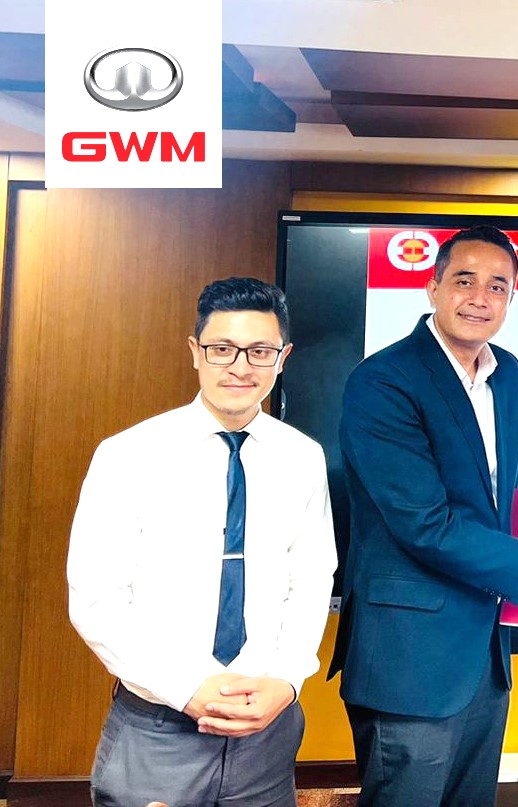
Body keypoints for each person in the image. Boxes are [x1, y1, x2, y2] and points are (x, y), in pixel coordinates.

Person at [329, 225, 518, 807]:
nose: (480, 298)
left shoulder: (506, 373)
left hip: (485, 651)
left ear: (511, 299)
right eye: (464, 281)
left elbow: (497, 507)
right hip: (410, 656)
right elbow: (424, 523)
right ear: (432, 287)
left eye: (498, 286)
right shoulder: (383, 381)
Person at [67, 277, 337, 807]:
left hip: (268, 731)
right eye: (222, 349)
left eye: (259, 351)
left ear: (282, 358)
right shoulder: (128, 454)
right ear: (196, 352)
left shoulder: (303, 457)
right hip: (159, 728)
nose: (240, 367)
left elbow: (311, 578)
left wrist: (286, 681)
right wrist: (187, 688)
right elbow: (96, 599)